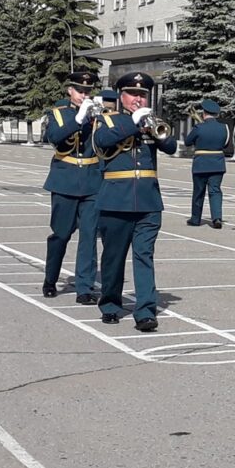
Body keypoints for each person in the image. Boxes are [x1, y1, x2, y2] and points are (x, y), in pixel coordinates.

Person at [92, 72, 177, 331]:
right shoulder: (106, 121)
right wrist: (133, 124)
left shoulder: (153, 121)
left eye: (142, 95)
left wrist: (154, 128)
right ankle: (110, 304)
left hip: (149, 201)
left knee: (144, 256)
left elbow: (171, 146)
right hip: (116, 200)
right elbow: (102, 142)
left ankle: (145, 311)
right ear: (121, 95)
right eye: (133, 94)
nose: (138, 99)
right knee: (114, 258)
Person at [41, 68, 105, 302]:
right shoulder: (58, 114)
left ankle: (85, 288)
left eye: (87, 91)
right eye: (79, 91)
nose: (84, 95)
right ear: (70, 91)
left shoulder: (98, 115)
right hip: (65, 179)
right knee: (61, 234)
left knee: (89, 237)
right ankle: (50, 279)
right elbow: (54, 138)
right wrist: (78, 120)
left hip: (91, 179)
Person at [183, 98, 231, 227]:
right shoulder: (224, 127)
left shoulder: (199, 127)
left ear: (204, 113)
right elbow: (226, 145)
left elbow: (187, 142)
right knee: (215, 191)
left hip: (201, 164)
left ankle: (195, 219)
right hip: (217, 163)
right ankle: (217, 218)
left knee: (198, 192)